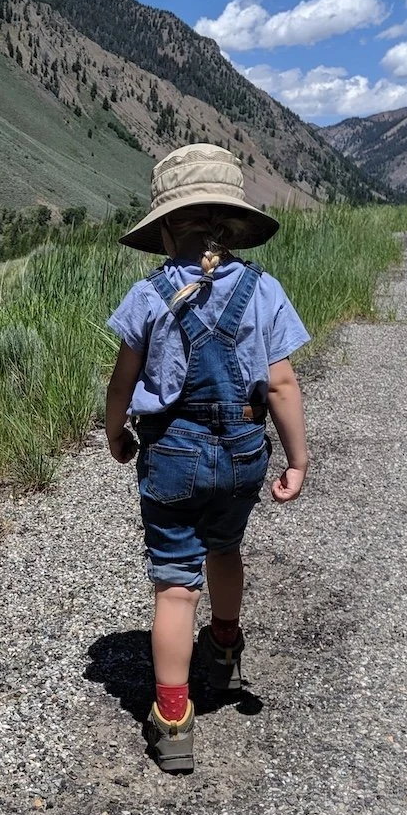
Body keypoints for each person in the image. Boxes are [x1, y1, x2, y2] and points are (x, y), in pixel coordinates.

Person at [104, 144, 309, 774]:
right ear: (231, 221)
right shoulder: (263, 288)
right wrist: (297, 458)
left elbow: (122, 382)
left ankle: (172, 718)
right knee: (225, 550)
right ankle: (222, 650)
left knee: (173, 584)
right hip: (243, 451)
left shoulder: (149, 294)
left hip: (170, 453)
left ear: (167, 228)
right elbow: (281, 385)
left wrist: (116, 430)